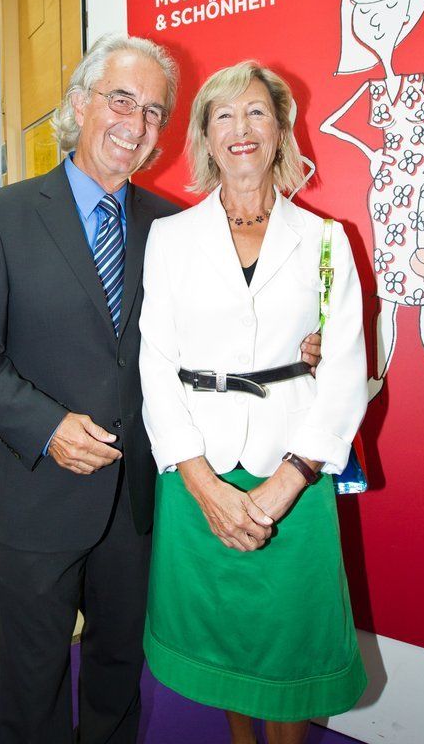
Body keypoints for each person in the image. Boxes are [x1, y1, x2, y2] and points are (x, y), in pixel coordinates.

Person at [0, 35, 321, 744]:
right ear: (79, 104)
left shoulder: (174, 226)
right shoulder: (2, 217)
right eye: (122, 100)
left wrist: (300, 345)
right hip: (38, 498)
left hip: (138, 502)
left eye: (153, 111)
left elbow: (216, 332)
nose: (137, 123)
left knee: (117, 674)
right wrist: (47, 425)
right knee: (34, 686)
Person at [139, 61, 368, 744]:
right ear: (205, 137)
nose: (241, 128)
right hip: (197, 472)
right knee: (223, 641)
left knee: (289, 642)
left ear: (281, 130)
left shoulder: (326, 240)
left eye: (257, 112)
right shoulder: (169, 239)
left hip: (293, 471)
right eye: (224, 115)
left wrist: (287, 482)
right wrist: (201, 482)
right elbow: (156, 363)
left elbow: (345, 368)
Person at [320, 0, 424, 400]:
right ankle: (376, 377)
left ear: (406, 12)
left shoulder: (420, 82)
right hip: (388, 194)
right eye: (365, 13)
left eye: (386, 8)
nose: (376, 21)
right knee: (389, 296)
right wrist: (371, 152)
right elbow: (331, 124)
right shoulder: (373, 88)